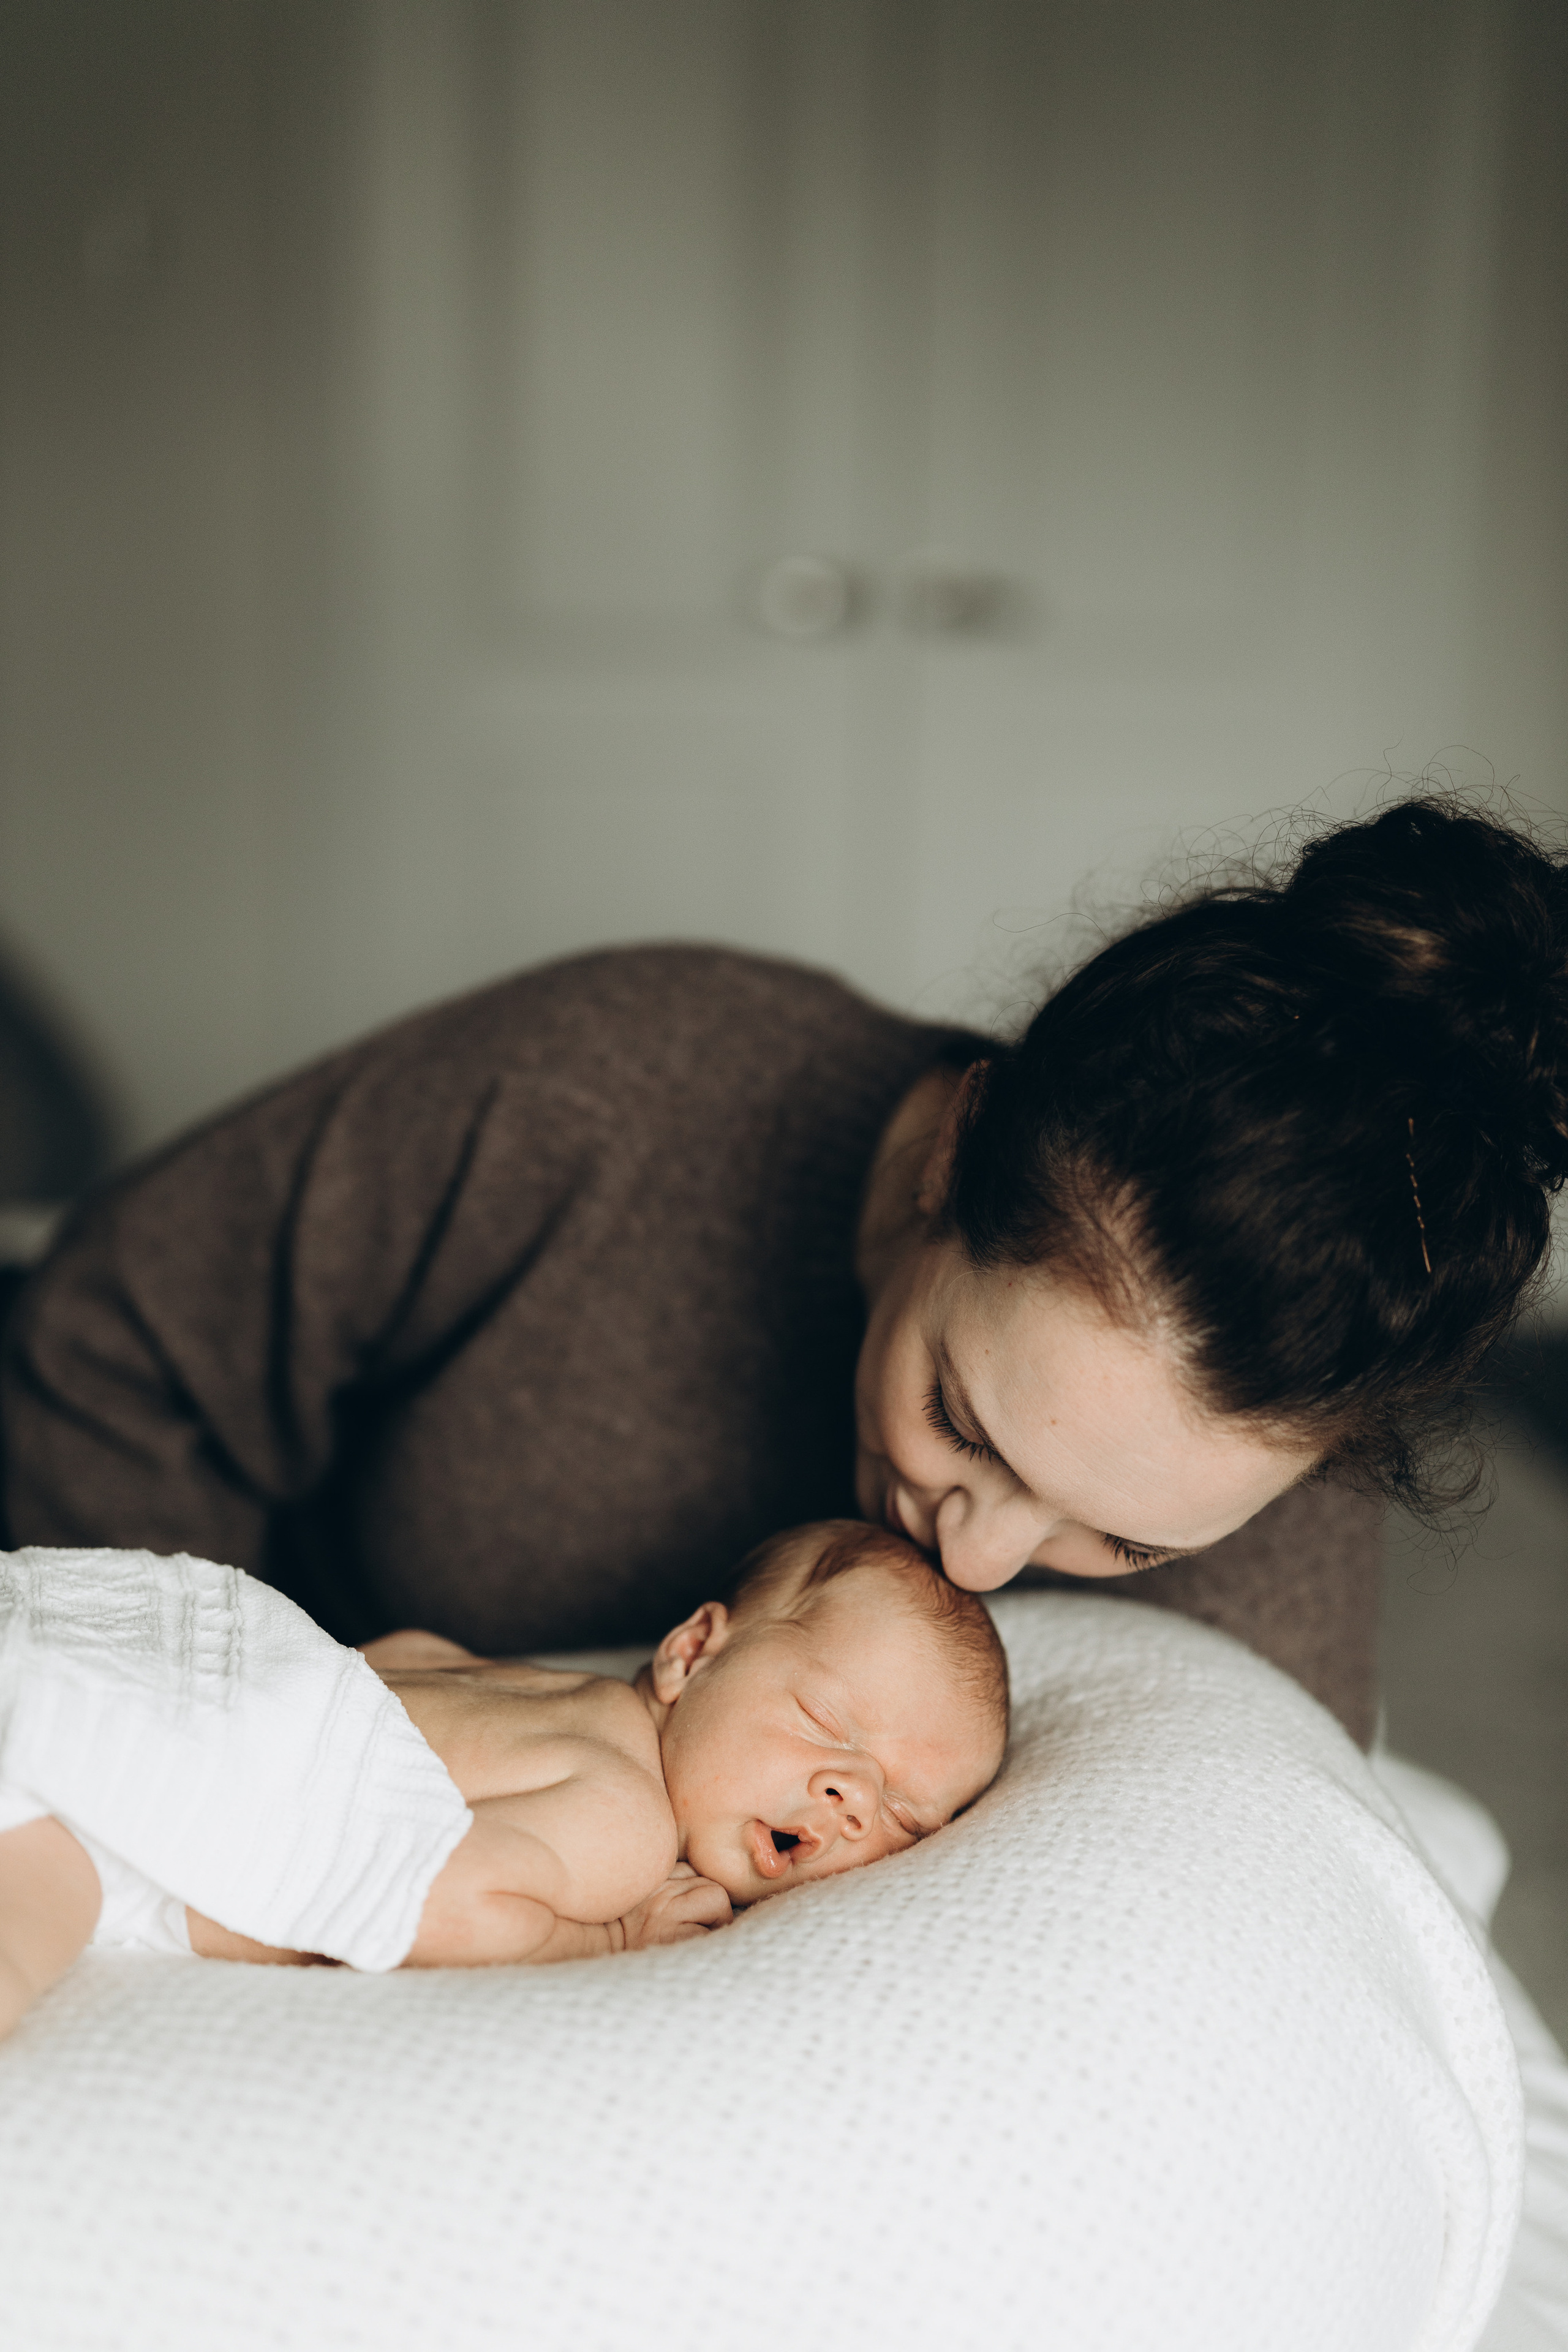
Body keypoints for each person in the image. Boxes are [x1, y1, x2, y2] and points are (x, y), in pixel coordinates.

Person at [2, 797, 1562, 1750]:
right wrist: (223, 1734)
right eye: (959, 1422)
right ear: (954, 1154)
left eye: (1123, 1542)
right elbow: (116, 1342)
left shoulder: (1277, 1496)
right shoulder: (605, 1088)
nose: (976, 1559)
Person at [0, 1521, 1007, 2033]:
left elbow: (398, 1655)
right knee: (36, 1904)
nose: (849, 1796)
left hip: (135, 1642)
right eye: (826, 1723)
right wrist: (611, 1937)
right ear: (694, 1652)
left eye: (904, 1814)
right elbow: (442, 1907)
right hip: (129, 1795)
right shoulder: (624, 1821)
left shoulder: (531, 1686)